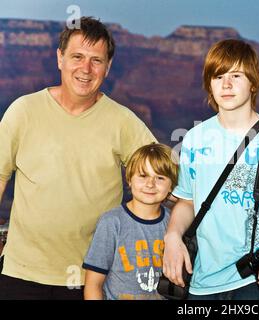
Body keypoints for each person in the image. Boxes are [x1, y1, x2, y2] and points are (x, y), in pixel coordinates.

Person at [0, 17, 157, 299]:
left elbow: (161, 176)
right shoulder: (23, 111)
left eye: (96, 60)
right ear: (60, 58)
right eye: (77, 57)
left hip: (92, 278)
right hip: (20, 273)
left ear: (107, 67)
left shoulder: (123, 122)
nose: (86, 69)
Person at [162, 39, 259, 299]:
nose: (226, 84)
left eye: (236, 75)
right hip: (202, 281)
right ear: (209, 84)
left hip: (255, 281)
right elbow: (187, 202)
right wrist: (172, 237)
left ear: (253, 82)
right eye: (218, 75)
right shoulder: (194, 138)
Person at [83, 143, 178, 300]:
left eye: (160, 178)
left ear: (171, 186)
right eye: (142, 175)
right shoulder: (112, 223)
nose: (150, 184)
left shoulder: (175, 224)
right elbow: (93, 284)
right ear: (129, 179)